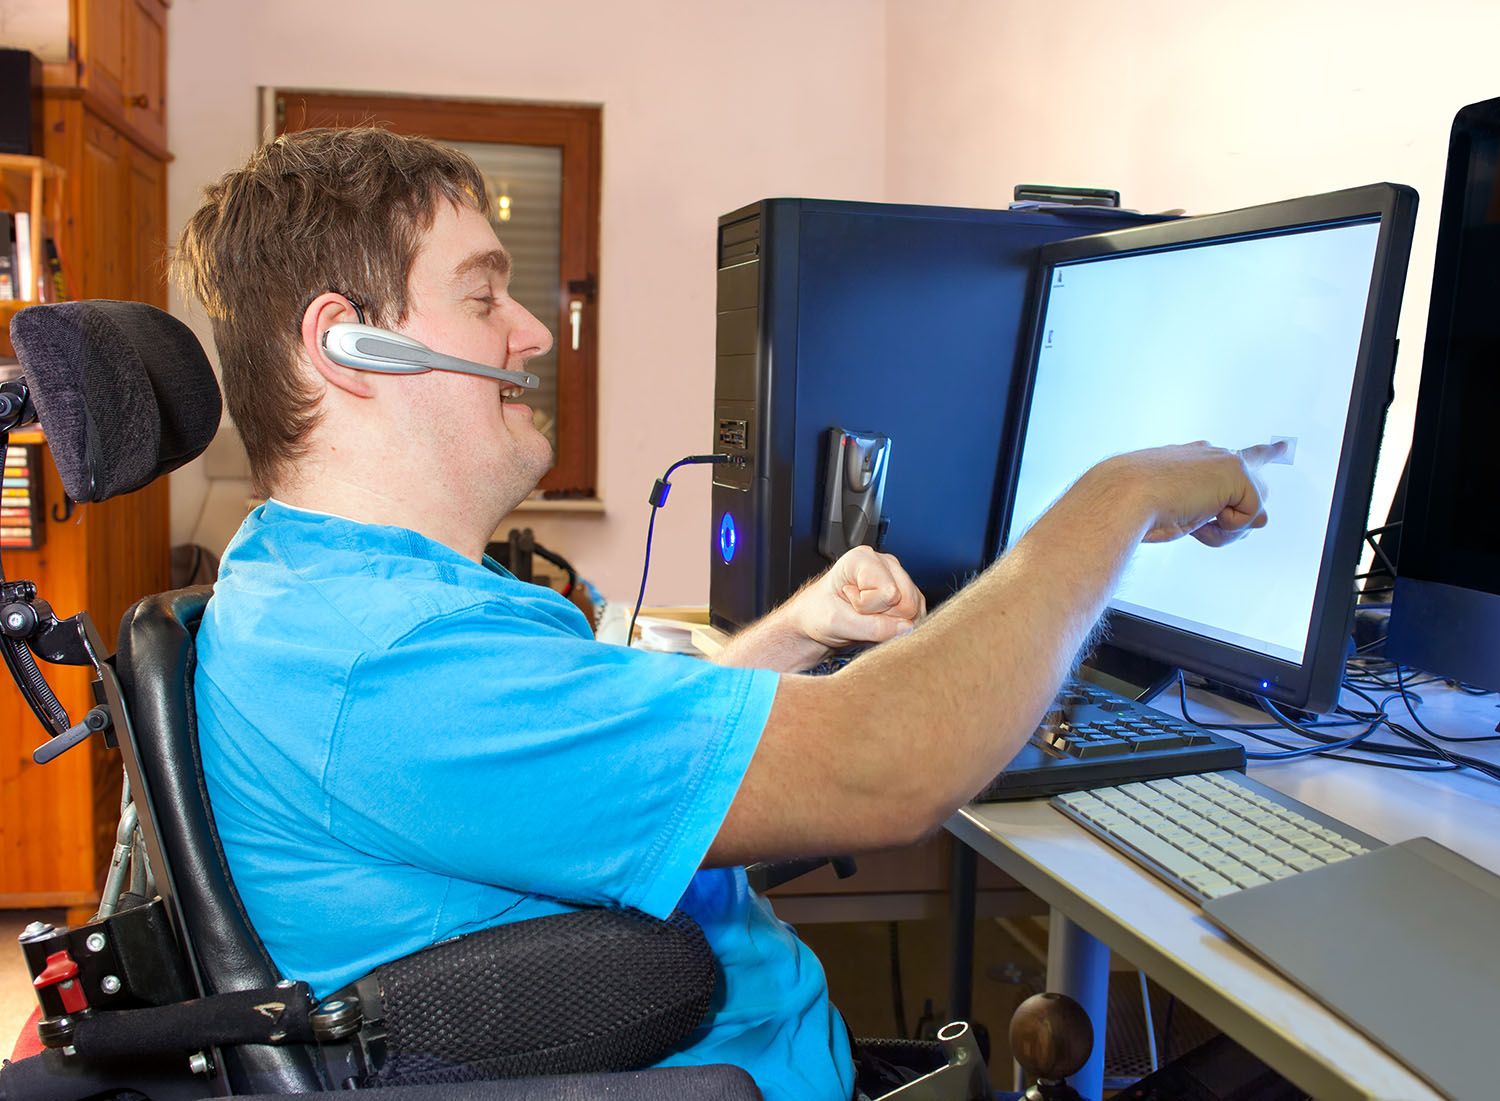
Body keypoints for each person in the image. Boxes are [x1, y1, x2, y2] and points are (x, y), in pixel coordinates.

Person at [174, 127, 1281, 1101]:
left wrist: (800, 627)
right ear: (347, 345)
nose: (532, 332)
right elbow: (892, 765)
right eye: (482, 296)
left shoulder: (314, 588)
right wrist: (1117, 497)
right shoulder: (394, 663)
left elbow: (593, 771)